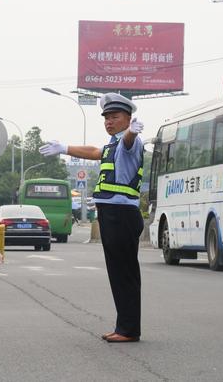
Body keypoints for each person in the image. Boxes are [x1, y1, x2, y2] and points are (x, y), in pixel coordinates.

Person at [39, 92, 144, 343]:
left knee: (124, 274)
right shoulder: (111, 145)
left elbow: (130, 142)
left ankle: (128, 329)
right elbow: (94, 151)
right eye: (106, 117)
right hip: (112, 214)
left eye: (115, 117)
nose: (109, 121)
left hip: (122, 215)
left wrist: (132, 131)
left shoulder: (129, 142)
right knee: (118, 273)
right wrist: (64, 148)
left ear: (128, 118)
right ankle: (125, 326)